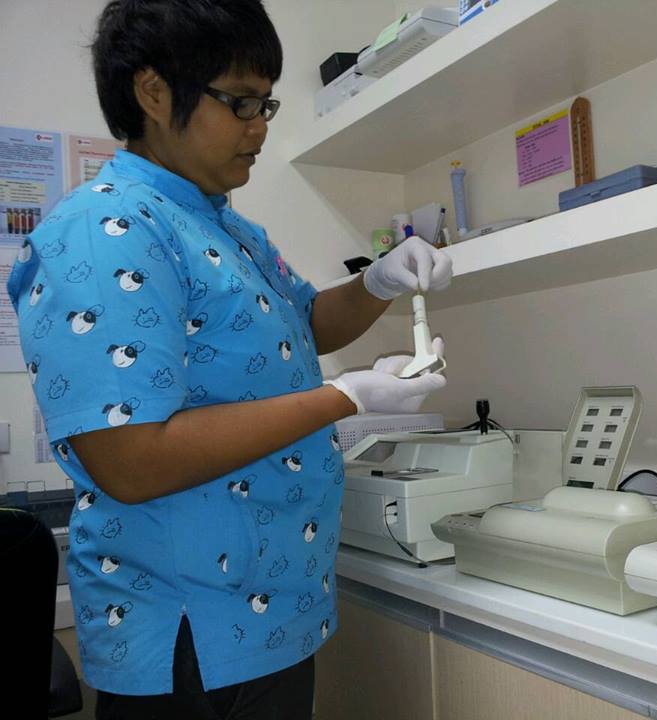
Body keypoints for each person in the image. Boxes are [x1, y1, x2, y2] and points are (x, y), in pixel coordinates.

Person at [6, 1, 453, 718]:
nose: (260, 127)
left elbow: (304, 324)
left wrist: (377, 282)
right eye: (240, 101)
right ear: (154, 92)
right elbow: (129, 460)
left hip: (271, 606)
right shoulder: (105, 228)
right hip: (191, 628)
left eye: (266, 103)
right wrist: (344, 398)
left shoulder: (225, 225)